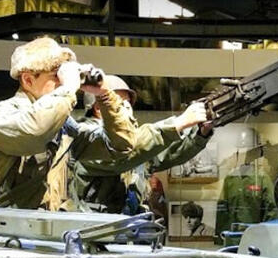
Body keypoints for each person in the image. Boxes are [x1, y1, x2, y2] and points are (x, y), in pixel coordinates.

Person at [0, 36, 136, 211]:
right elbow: (35, 131)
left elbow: (120, 145)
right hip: (2, 231)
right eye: (56, 75)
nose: (62, 81)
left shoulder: (64, 126)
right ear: (28, 80)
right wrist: (68, 88)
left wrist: (105, 95)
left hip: (45, 230)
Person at [71, 75, 212, 214]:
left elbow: (166, 154)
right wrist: (178, 123)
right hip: (94, 231)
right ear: (98, 108)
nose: (128, 107)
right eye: (120, 102)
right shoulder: (86, 139)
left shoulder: (134, 141)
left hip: (126, 228)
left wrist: (200, 134)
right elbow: (122, 154)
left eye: (128, 102)